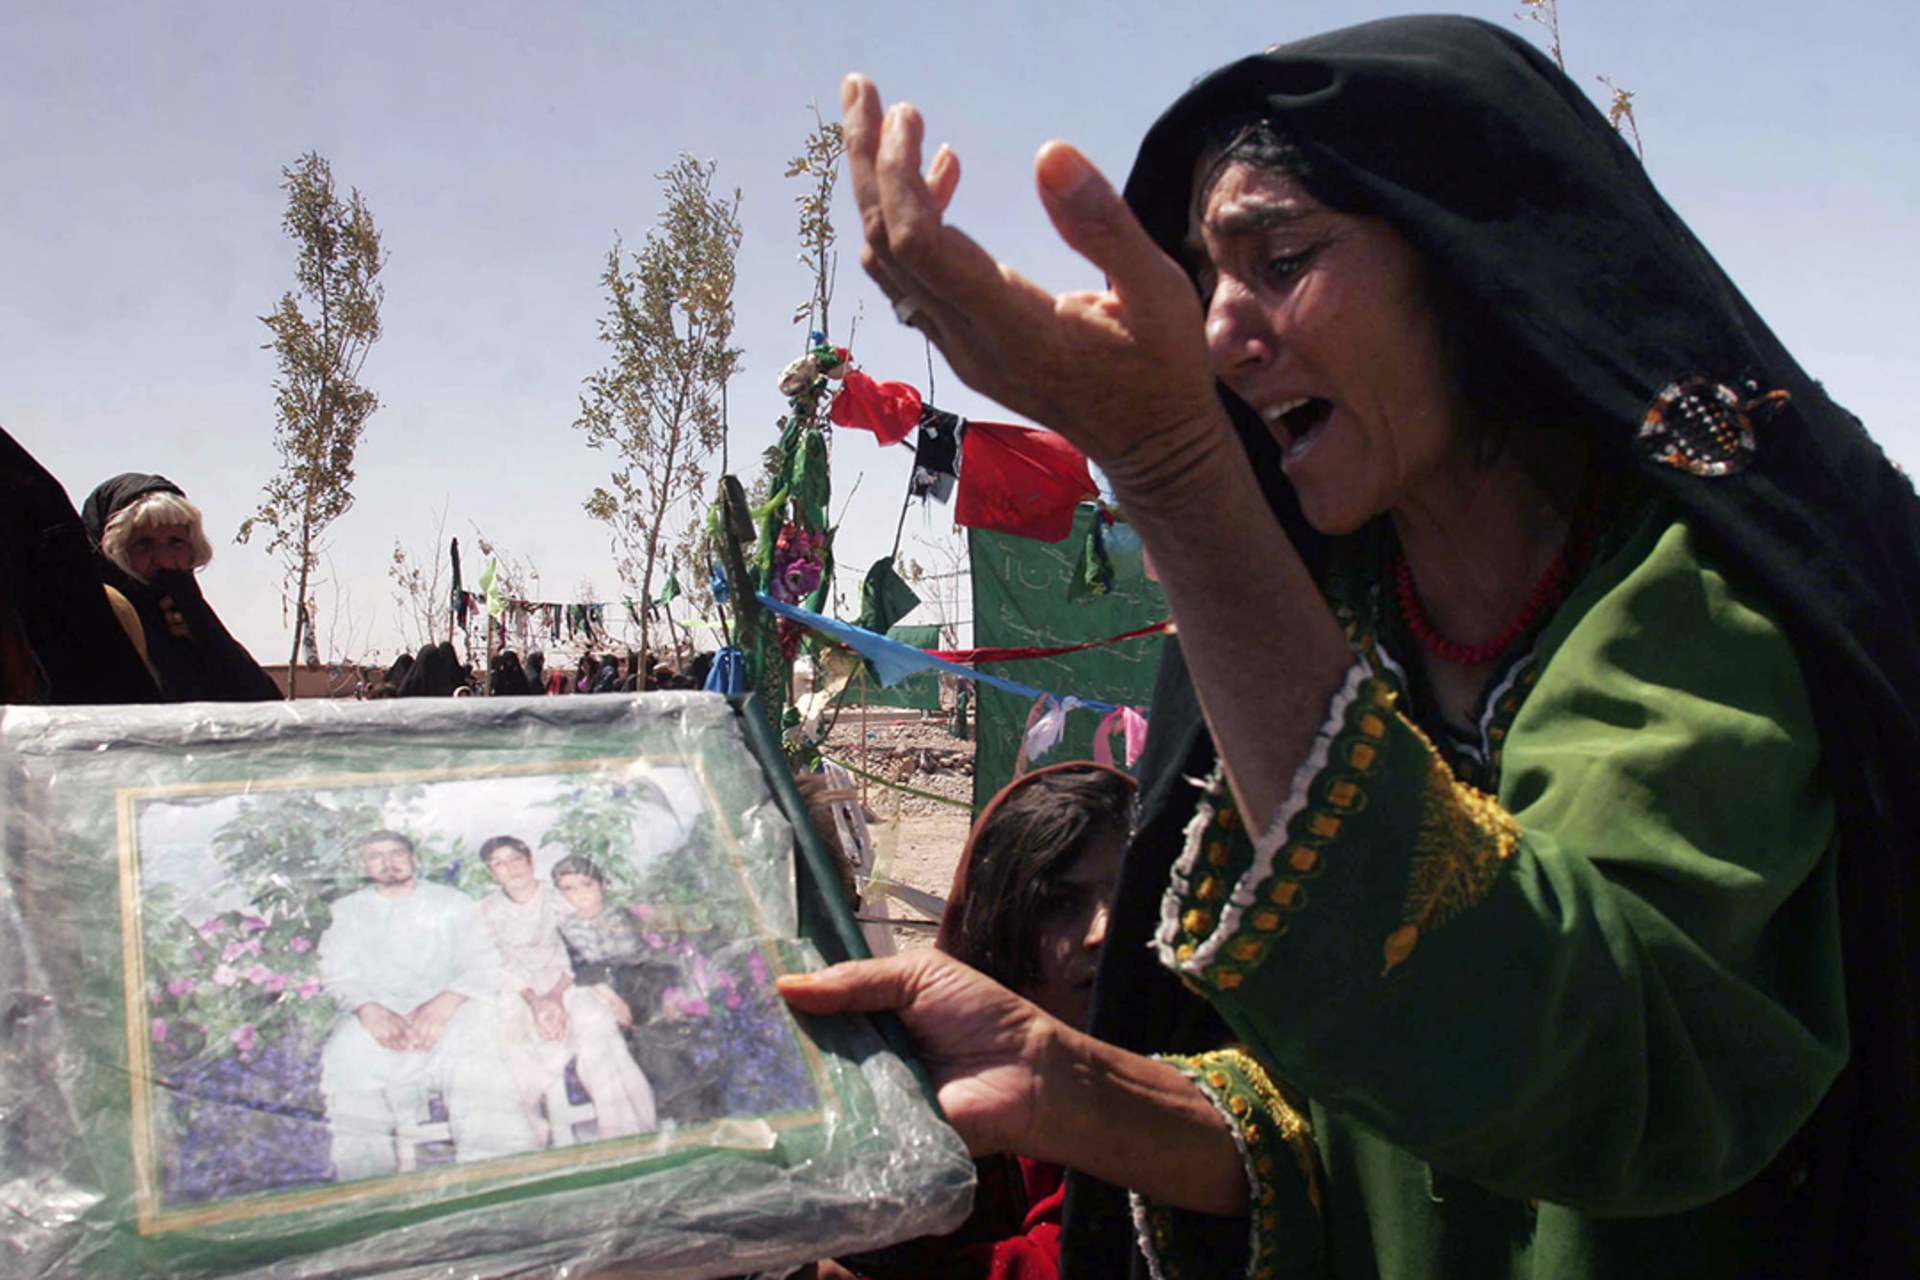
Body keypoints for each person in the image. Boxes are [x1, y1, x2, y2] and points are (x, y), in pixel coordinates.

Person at [780, 16, 1920, 1279]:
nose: (1221, 331)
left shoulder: (1701, 600)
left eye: (1280, 258)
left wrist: (1174, 475)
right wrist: (1061, 1073)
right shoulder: (1336, 619)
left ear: (1471, 256)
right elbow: (1368, 1130)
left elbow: (1602, 1065)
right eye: (1206, 281)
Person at [820, 763, 1136, 1280]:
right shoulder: (921, 1100)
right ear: (997, 922)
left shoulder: (1187, 1095)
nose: (1106, 930)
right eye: (1060, 903)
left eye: (1131, 901)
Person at [317, 830, 532, 1181]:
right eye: (376, 856)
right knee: (345, 1055)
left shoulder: (452, 903)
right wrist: (369, 1009)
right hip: (382, 1018)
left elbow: (483, 962)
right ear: (363, 865)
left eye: (396, 853)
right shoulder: (348, 911)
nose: (388, 863)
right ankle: (367, 1185)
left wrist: (445, 1003)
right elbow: (337, 972)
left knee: (479, 1058)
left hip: (450, 1014)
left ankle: (496, 1174)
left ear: (413, 858)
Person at [477, 835, 658, 1144]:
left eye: (515, 859)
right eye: (499, 863)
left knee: (596, 1023)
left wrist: (555, 995)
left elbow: (578, 953)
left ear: (530, 860)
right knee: (508, 1035)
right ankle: (526, 1134)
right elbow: (495, 962)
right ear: (490, 872)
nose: (510, 868)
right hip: (517, 990)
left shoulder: (559, 898)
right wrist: (535, 1001)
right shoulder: (484, 910)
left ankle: (627, 1132)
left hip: (567, 982)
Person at [551, 853, 728, 1127]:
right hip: (611, 990)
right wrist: (613, 1000)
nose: (579, 895)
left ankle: (699, 1113)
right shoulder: (566, 929)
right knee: (641, 1048)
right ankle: (673, 1115)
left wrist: (673, 994)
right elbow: (583, 969)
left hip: (648, 981)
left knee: (669, 1044)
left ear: (603, 885)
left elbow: (661, 956)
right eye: (569, 889)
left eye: (586, 885)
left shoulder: (626, 916)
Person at [79, 473, 281, 701]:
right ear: (113, 553)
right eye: (144, 544)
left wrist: (205, 634)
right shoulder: (92, 625)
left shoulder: (189, 619)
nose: (164, 559)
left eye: (176, 542)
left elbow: (265, 706)